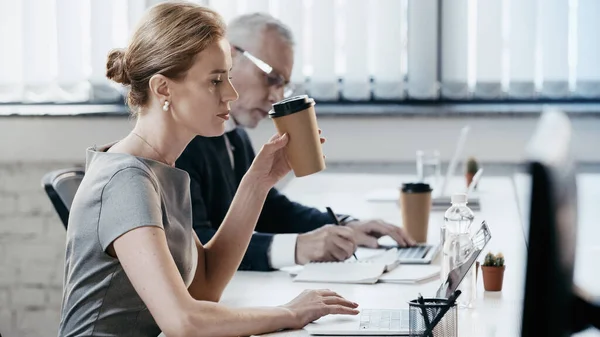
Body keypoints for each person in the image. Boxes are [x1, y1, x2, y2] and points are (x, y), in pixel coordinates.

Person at [58, 3, 358, 337]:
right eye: (215, 81)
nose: (231, 93)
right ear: (163, 89)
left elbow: (204, 287)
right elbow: (184, 321)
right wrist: (289, 312)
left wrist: (257, 183)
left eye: (228, 77)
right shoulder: (127, 180)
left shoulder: (162, 171)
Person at [176, 13, 416, 272]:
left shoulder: (234, 134)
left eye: (283, 85)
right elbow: (198, 247)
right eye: (271, 78)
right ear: (230, 55)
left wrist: (342, 225)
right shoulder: (183, 141)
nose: (276, 96)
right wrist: (298, 248)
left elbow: (268, 209)